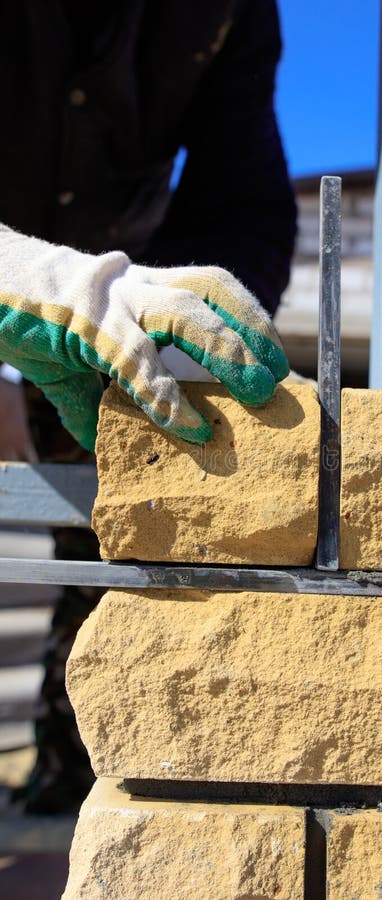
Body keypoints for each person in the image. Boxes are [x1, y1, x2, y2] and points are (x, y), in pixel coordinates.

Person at [0, 0, 296, 812]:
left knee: (110, 542)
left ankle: (83, 772)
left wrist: (175, 353)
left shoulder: (229, 12)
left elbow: (245, 208)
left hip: (110, 309)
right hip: (34, 285)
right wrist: (25, 288)